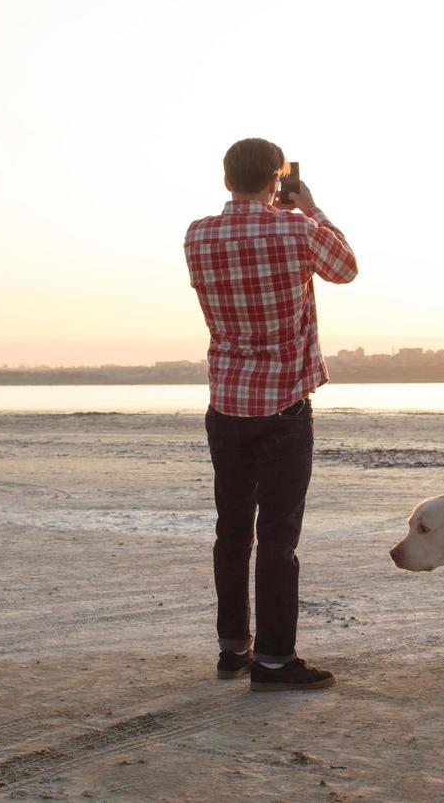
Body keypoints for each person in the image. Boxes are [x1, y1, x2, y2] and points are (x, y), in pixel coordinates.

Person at [184, 137, 358, 692]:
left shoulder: (198, 235)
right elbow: (346, 268)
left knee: (231, 531)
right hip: (283, 404)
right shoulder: (297, 229)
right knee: (278, 536)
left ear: (227, 177)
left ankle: (233, 647)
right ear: (277, 178)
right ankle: (276, 661)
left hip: (227, 402)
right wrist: (309, 208)